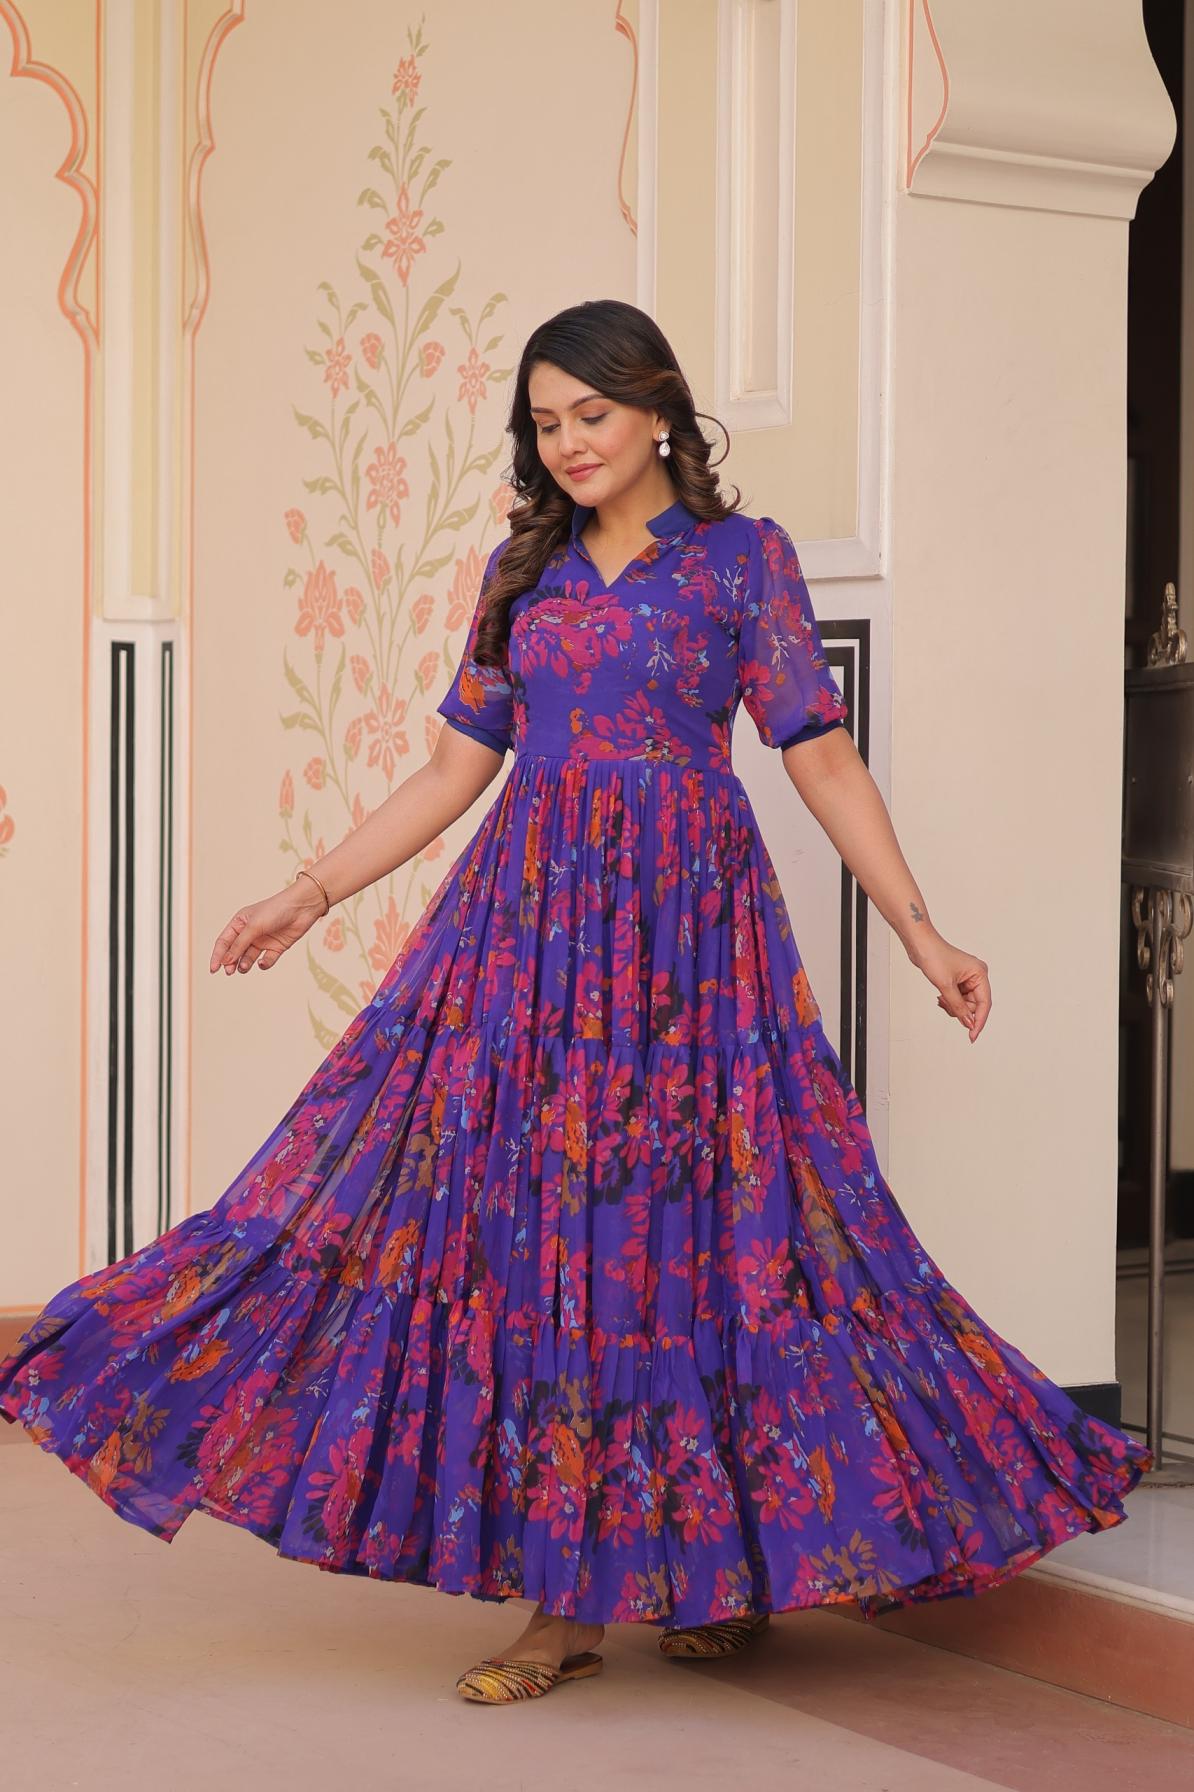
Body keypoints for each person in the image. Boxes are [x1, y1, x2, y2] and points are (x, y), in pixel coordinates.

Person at [0, 298, 1152, 1706]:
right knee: (542, 1238)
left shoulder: (742, 561)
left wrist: (922, 931)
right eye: (544, 424)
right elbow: (454, 767)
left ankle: (709, 1579)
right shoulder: (523, 569)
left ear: (657, 410)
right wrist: (311, 891)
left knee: (708, 1240)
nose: (567, 444)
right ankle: (560, 1611)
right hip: (529, 941)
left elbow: (820, 756)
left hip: (691, 948)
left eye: (590, 415)